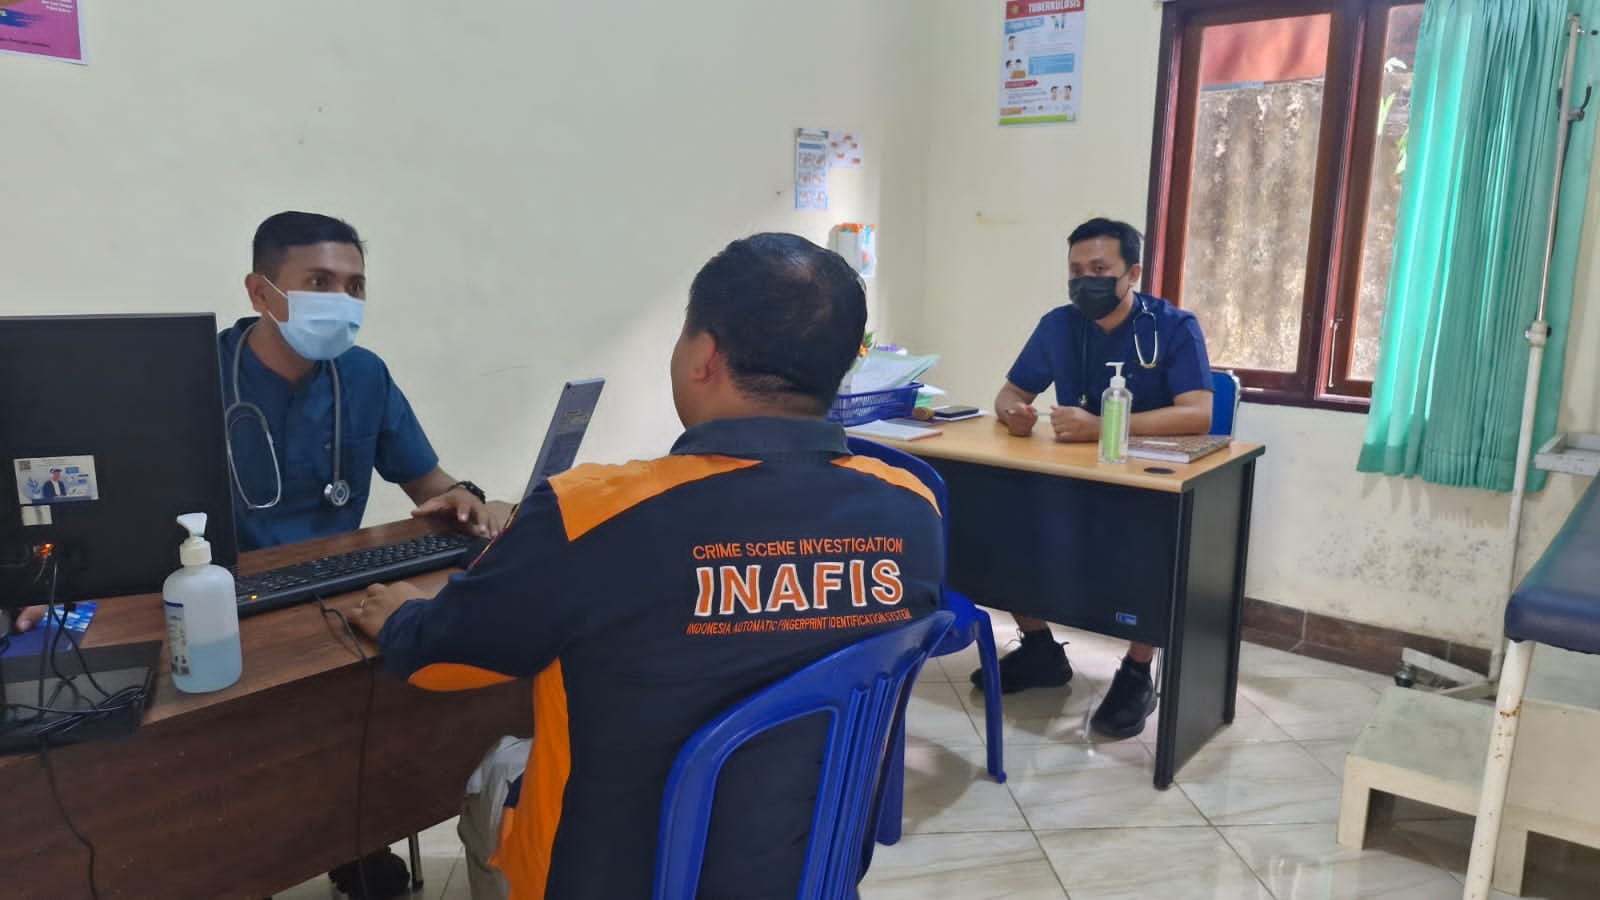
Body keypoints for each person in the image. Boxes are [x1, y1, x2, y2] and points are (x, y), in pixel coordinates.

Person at [350, 232, 943, 900]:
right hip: (810, 870)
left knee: (496, 770)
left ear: (704, 355)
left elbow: (446, 659)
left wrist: (401, 617)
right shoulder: (912, 507)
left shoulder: (592, 512)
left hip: (617, 879)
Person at [224, 211, 509, 896]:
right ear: (260, 292)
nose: (342, 300)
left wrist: (473, 500)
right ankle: (239, 861)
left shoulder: (363, 375)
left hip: (338, 592)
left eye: (354, 286)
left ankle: (355, 836)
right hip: (229, 599)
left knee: (391, 685)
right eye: (320, 282)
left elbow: (429, 483)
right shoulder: (194, 375)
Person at [971, 217, 1212, 740]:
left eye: (1099, 270)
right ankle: (1039, 650)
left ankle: (1136, 673)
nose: (1086, 282)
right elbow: (1011, 393)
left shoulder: (1172, 327)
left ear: (1132, 273)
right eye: (1076, 271)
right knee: (1001, 524)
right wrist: (1014, 414)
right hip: (1070, 474)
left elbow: (1198, 413)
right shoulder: (1058, 325)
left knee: (1150, 553)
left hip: (1149, 485)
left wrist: (1106, 427)